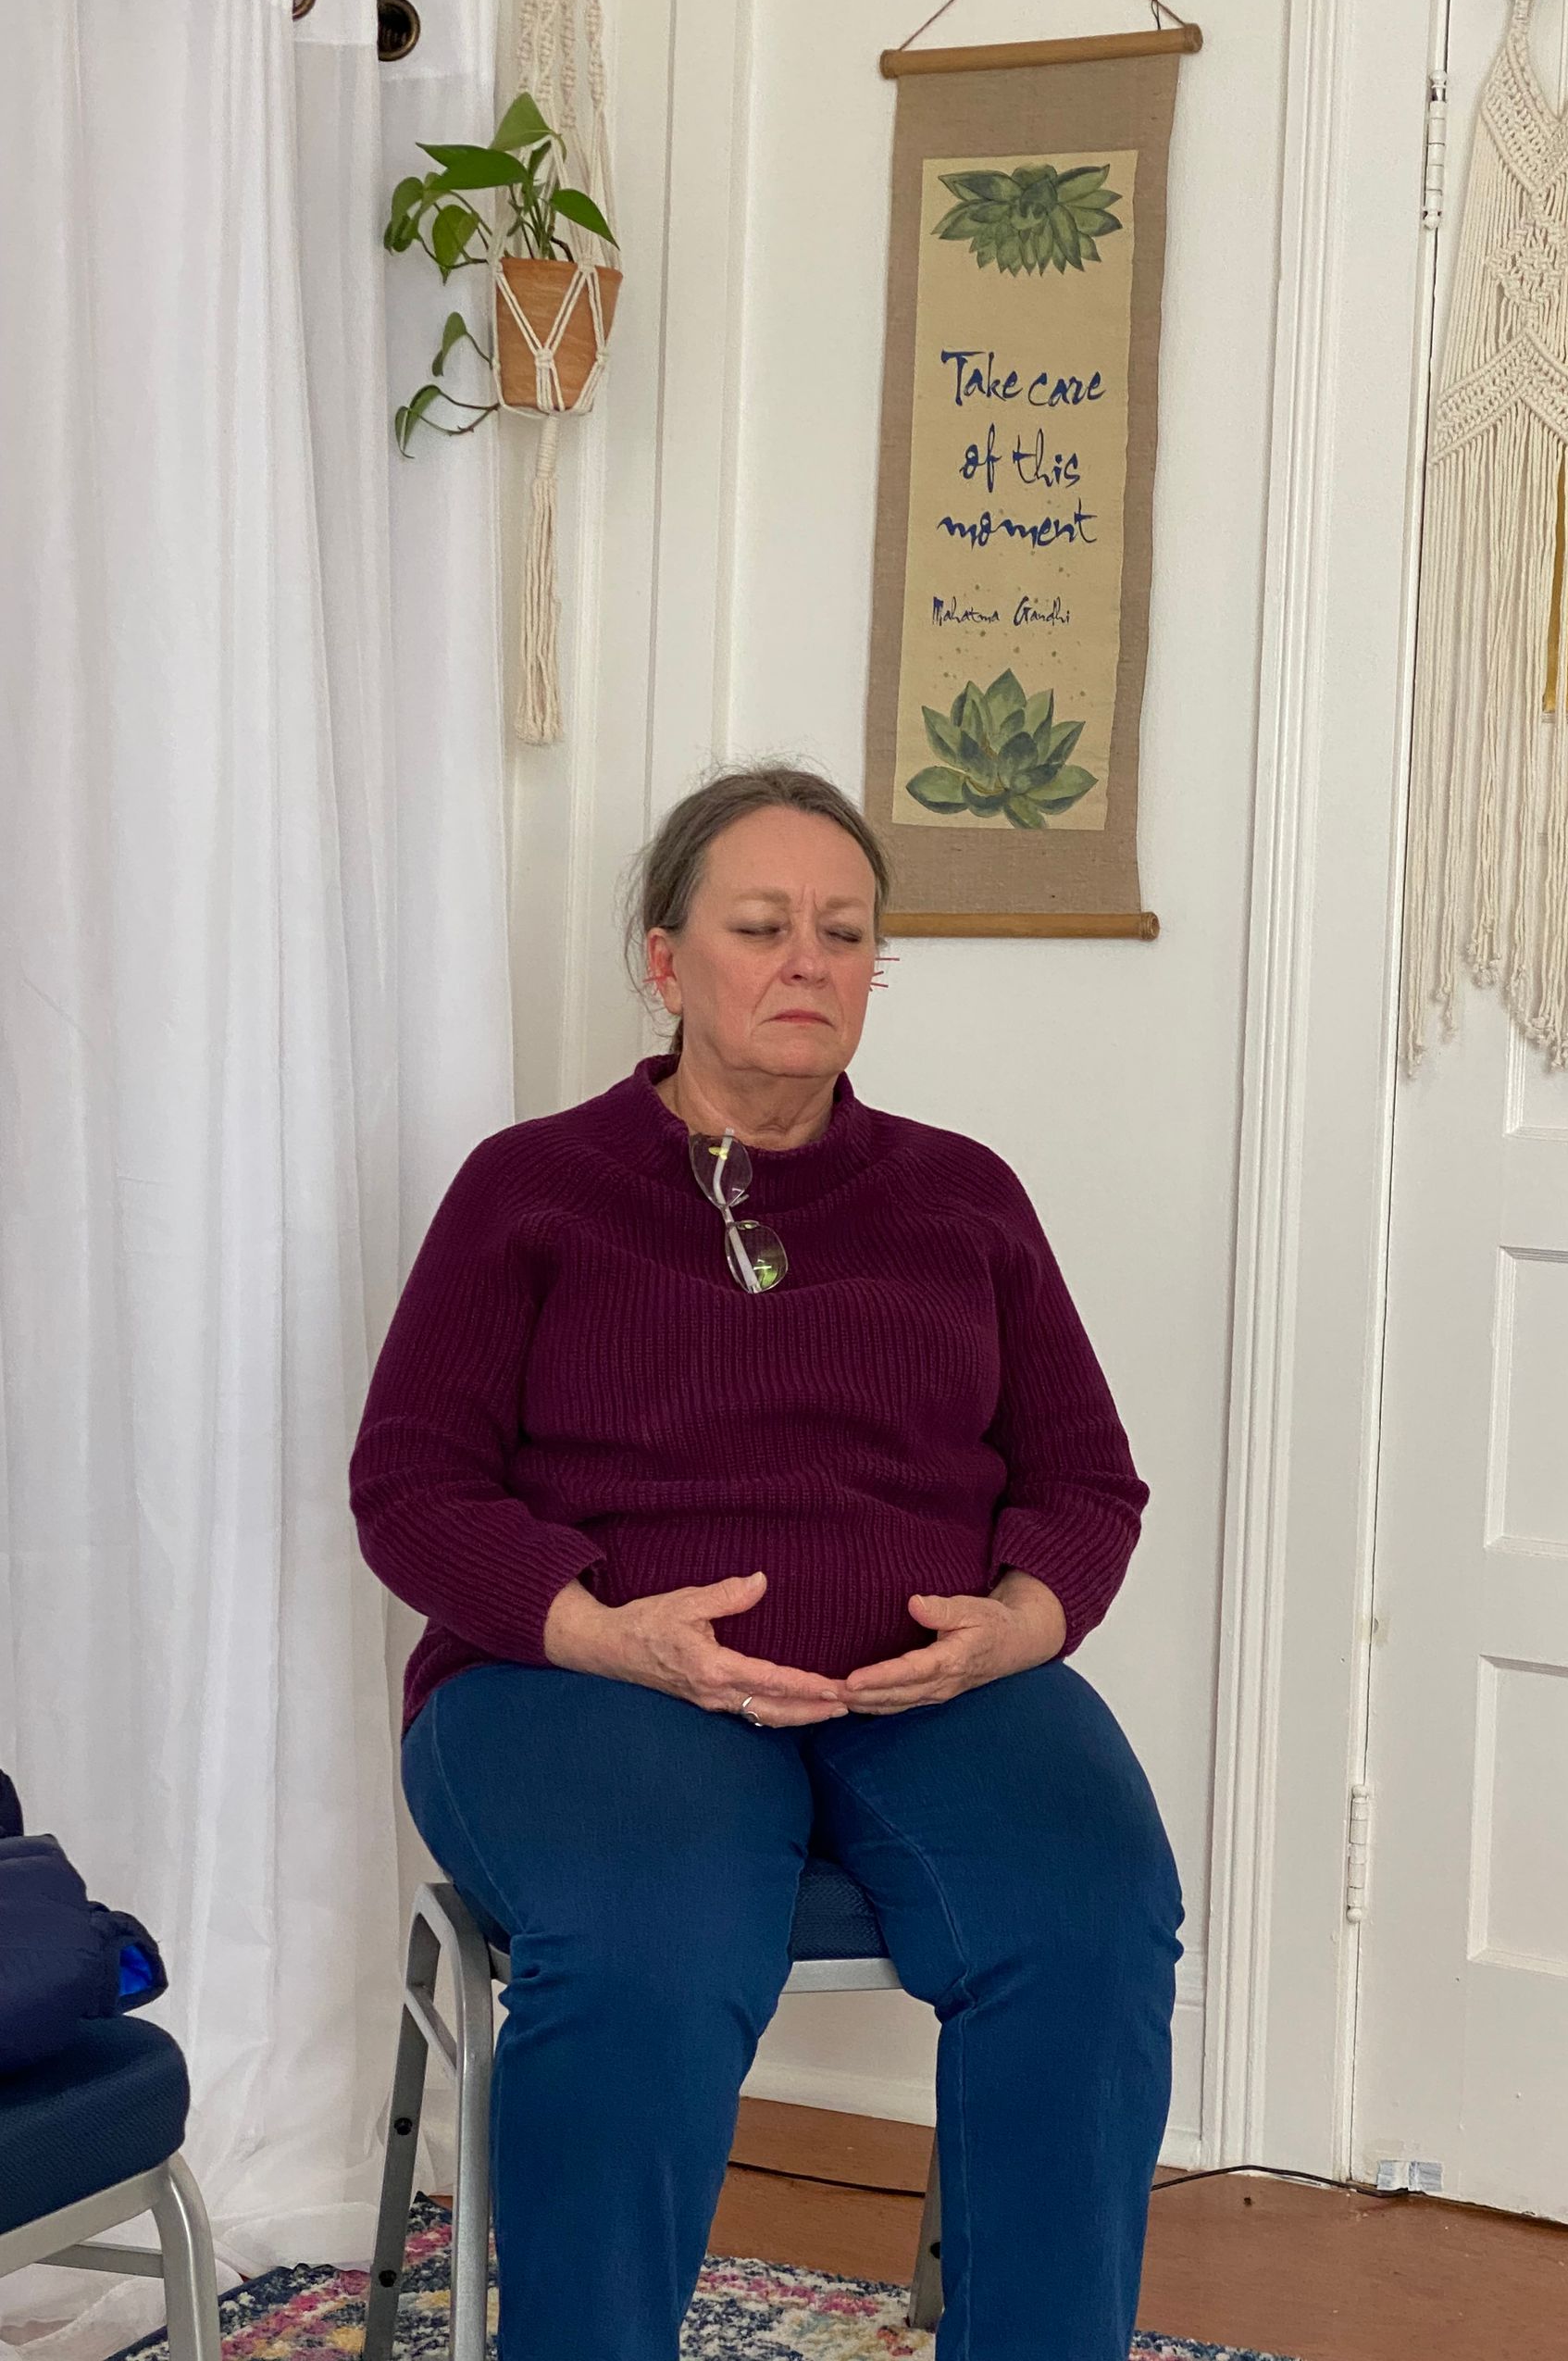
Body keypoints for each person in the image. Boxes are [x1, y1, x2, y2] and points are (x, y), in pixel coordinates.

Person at [350, 765, 1185, 2361]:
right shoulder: (530, 1190)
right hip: (585, 1673)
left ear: (877, 969)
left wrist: (1021, 1623)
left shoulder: (964, 1198)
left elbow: (1087, 1478)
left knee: (1088, 1913)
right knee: (653, 1936)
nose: (808, 959)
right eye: (761, 924)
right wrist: (604, 1632)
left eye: (845, 931)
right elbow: (411, 1485)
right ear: (668, 965)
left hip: (926, 1676)